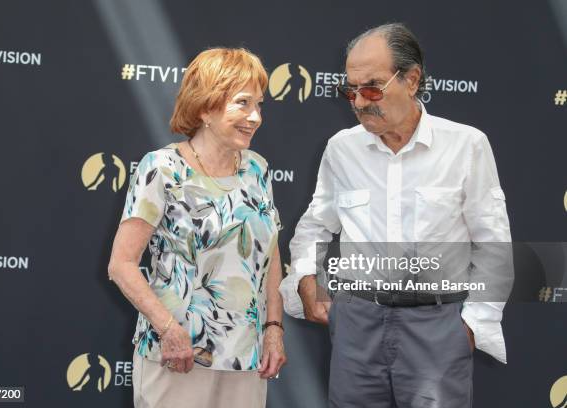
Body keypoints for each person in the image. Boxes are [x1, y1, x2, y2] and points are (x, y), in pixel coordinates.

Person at [279, 23, 512, 407]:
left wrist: (473, 325)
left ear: (412, 79)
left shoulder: (466, 145)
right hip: (356, 325)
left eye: (371, 88)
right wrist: (306, 278)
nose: (358, 102)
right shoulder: (342, 148)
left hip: (437, 325)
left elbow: (494, 244)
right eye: (349, 90)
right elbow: (315, 226)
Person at [108, 47, 286, 408]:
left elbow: (269, 255)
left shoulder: (257, 169)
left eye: (260, 105)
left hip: (244, 363)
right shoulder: (162, 168)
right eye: (242, 103)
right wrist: (169, 331)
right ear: (206, 107)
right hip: (179, 356)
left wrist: (273, 330)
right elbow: (121, 265)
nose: (255, 117)